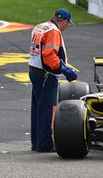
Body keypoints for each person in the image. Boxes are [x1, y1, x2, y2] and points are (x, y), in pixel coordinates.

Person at [28, 8, 77, 152]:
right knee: (47, 110)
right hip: (46, 74)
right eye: (67, 24)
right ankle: (44, 144)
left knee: (37, 108)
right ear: (65, 21)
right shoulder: (54, 32)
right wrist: (64, 69)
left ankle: (36, 141)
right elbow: (49, 56)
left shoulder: (41, 27)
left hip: (34, 70)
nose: (66, 28)